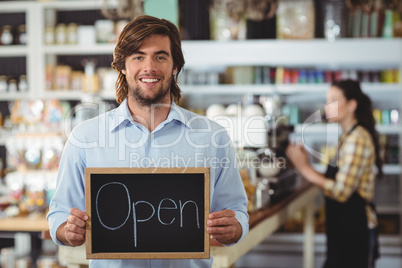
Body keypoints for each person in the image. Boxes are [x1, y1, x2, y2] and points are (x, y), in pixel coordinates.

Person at [47, 15, 249, 267]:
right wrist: (66, 231)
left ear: (175, 66)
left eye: (160, 56)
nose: (149, 67)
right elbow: (58, 214)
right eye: (138, 56)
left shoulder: (213, 137)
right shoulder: (85, 137)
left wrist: (235, 228)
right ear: (122, 65)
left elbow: (237, 209)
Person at [286, 79, 381, 268]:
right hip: (344, 228)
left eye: (333, 100)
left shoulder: (357, 139)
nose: (327, 106)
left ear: (352, 105)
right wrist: (307, 165)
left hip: (356, 229)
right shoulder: (347, 136)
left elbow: (341, 190)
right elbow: (338, 176)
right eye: (327, 100)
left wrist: (304, 168)